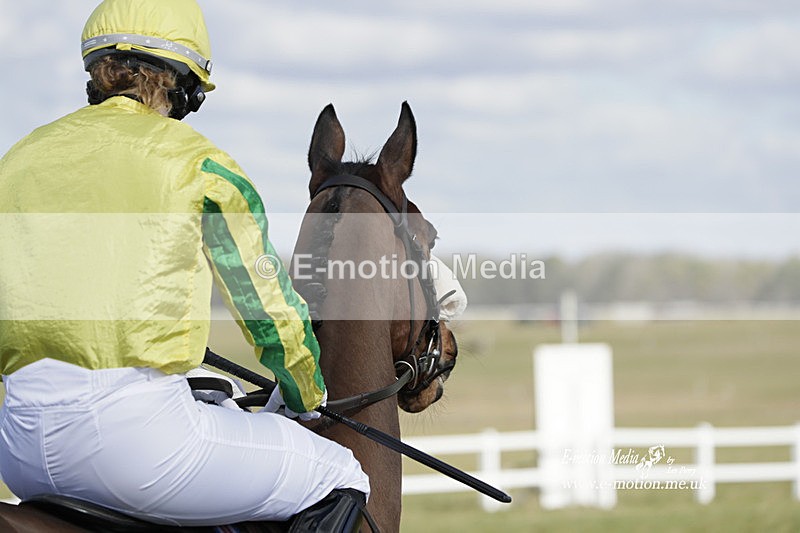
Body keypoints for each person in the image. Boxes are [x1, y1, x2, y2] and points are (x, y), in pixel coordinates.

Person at [0, 0, 369, 529]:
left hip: (18, 449)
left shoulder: (15, 160)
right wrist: (306, 391)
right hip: (135, 447)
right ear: (183, 86)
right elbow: (264, 304)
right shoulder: (199, 163)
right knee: (343, 474)